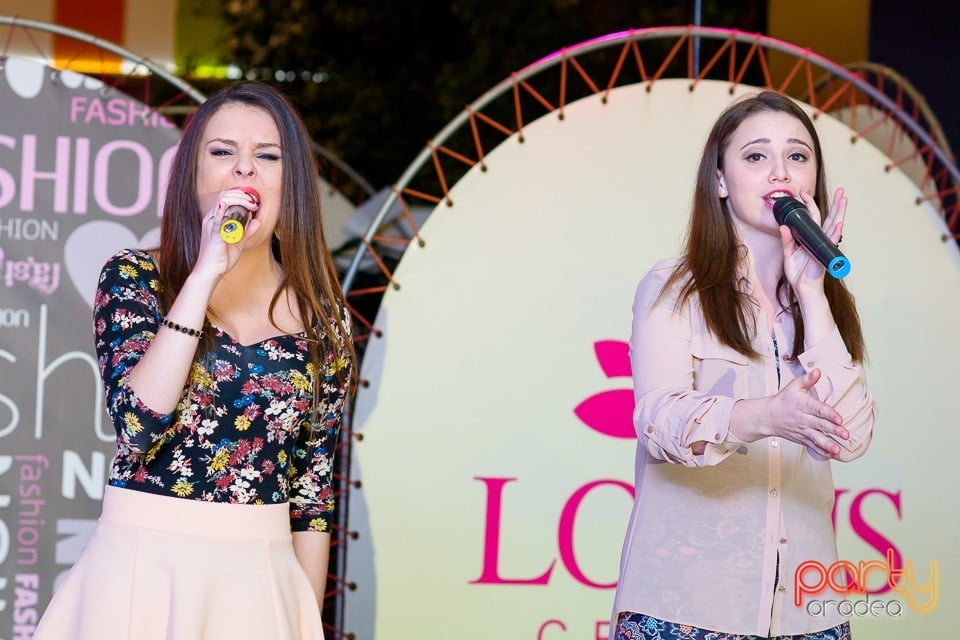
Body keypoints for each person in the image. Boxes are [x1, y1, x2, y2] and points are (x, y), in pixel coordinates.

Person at [34, 81, 356, 640]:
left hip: (260, 583)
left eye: (268, 156)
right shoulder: (135, 278)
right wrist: (205, 274)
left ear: (293, 183)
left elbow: (312, 490)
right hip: (143, 571)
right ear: (193, 174)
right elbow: (139, 425)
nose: (244, 169)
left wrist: (306, 622)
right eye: (223, 151)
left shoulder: (324, 317)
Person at [610, 90, 877, 640]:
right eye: (756, 156)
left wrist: (813, 294)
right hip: (683, 610)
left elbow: (852, 438)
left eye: (797, 156)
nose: (781, 171)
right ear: (720, 180)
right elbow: (659, 419)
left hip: (810, 615)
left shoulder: (823, 302)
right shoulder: (674, 289)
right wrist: (765, 416)